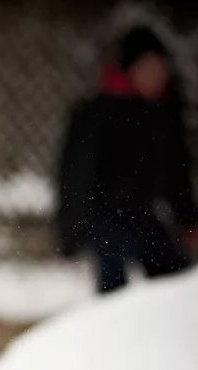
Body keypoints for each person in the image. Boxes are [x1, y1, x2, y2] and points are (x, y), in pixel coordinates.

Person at [56, 25, 197, 293]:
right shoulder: (97, 115)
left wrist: (188, 220)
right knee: (113, 292)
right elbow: (75, 177)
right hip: (105, 219)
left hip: (144, 217)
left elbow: (176, 175)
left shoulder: (163, 116)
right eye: (149, 68)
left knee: (177, 283)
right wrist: (70, 233)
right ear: (131, 69)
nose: (157, 76)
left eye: (161, 69)